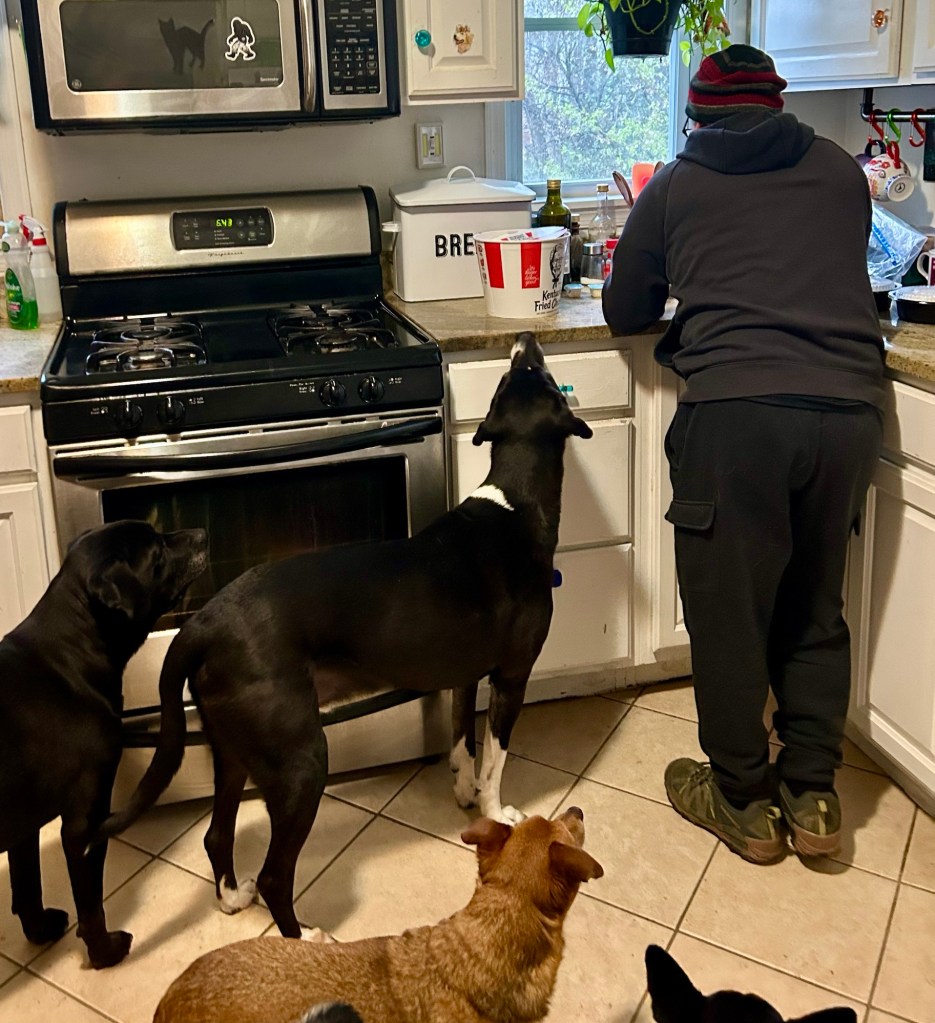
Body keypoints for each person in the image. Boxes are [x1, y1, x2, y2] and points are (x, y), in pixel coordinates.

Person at [602, 44, 885, 864]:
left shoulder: (675, 184)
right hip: (847, 411)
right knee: (814, 603)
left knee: (728, 615)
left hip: (737, 418)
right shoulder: (839, 171)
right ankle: (813, 795)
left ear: (695, 116)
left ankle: (740, 799)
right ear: (776, 104)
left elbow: (626, 310)